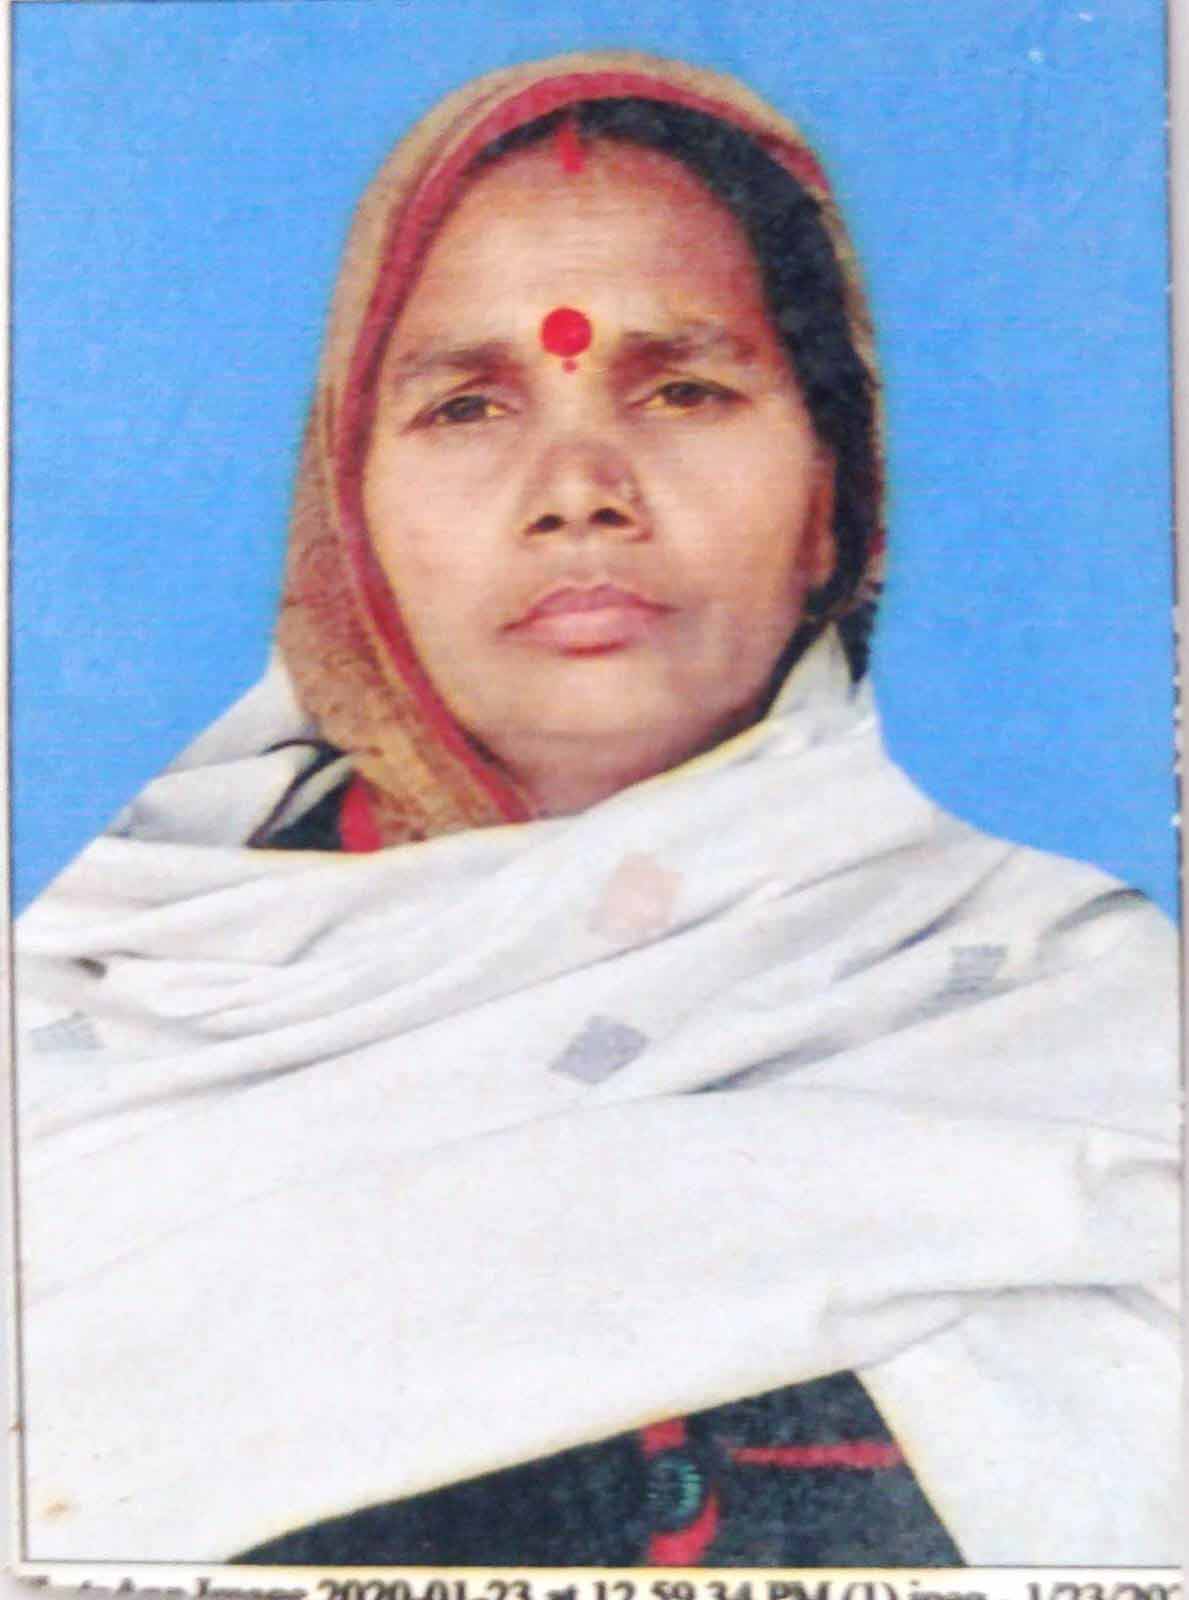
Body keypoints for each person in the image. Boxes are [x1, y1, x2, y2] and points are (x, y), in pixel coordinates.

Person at [14, 51, 1179, 1570]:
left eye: (686, 389)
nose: (578, 488)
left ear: (838, 490)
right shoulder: (94, 1019)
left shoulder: (1077, 1021)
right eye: (466, 405)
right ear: (344, 512)